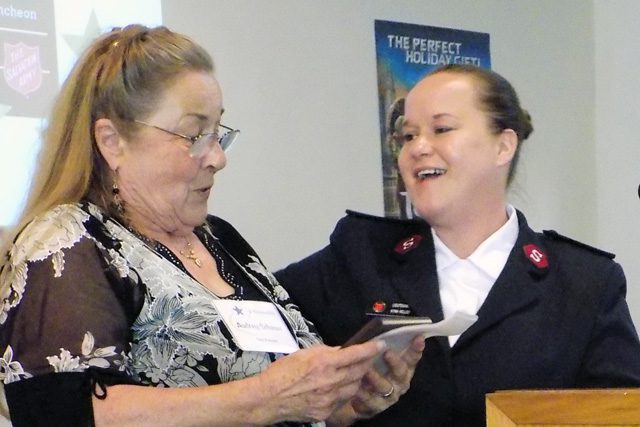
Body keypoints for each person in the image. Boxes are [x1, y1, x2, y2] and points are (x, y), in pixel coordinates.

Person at [0, 25, 425, 426]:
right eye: (193, 134)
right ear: (113, 142)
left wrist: (346, 399)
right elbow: (62, 412)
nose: (218, 157)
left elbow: (287, 393)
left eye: (217, 131)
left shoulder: (221, 240)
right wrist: (264, 398)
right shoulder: (68, 242)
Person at [276, 64, 640, 426]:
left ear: (503, 146)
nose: (418, 148)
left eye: (442, 129)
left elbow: (620, 415)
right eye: (407, 137)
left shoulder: (585, 284)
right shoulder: (360, 254)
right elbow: (248, 325)